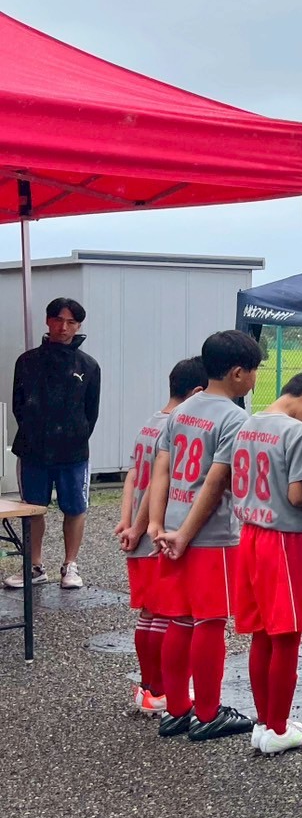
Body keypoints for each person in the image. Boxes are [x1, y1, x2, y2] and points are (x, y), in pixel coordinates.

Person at [146, 330, 262, 742]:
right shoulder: (234, 418)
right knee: (210, 621)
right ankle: (209, 713)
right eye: (254, 371)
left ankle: (177, 709)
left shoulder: (182, 409)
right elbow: (215, 483)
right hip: (209, 535)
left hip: (173, 525)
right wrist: (187, 534)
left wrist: (158, 523)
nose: (254, 378)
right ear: (237, 373)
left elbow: (162, 468)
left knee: (179, 618)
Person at [233, 370, 302, 755]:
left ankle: (265, 722)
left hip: (249, 534)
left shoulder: (248, 424)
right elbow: (297, 496)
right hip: (284, 539)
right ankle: (278, 727)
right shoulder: (299, 433)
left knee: (261, 633)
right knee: (286, 635)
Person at [115, 356, 206, 715]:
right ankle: (160, 689)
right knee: (168, 616)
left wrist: (126, 522)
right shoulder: (176, 428)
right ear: (197, 393)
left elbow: (132, 476)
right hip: (156, 533)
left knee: (149, 613)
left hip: (140, 535)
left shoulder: (149, 423)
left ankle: (149, 687)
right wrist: (140, 526)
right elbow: (157, 484)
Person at [6, 297, 101, 590]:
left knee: (75, 507)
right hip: (33, 450)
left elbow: (91, 411)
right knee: (33, 508)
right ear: (48, 321)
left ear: (79, 326)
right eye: (58, 320)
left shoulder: (89, 366)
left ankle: (70, 565)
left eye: (71, 322)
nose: (64, 327)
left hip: (73, 453)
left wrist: (74, 435)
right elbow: (19, 405)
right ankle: (34, 566)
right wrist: (36, 433)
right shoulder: (27, 362)